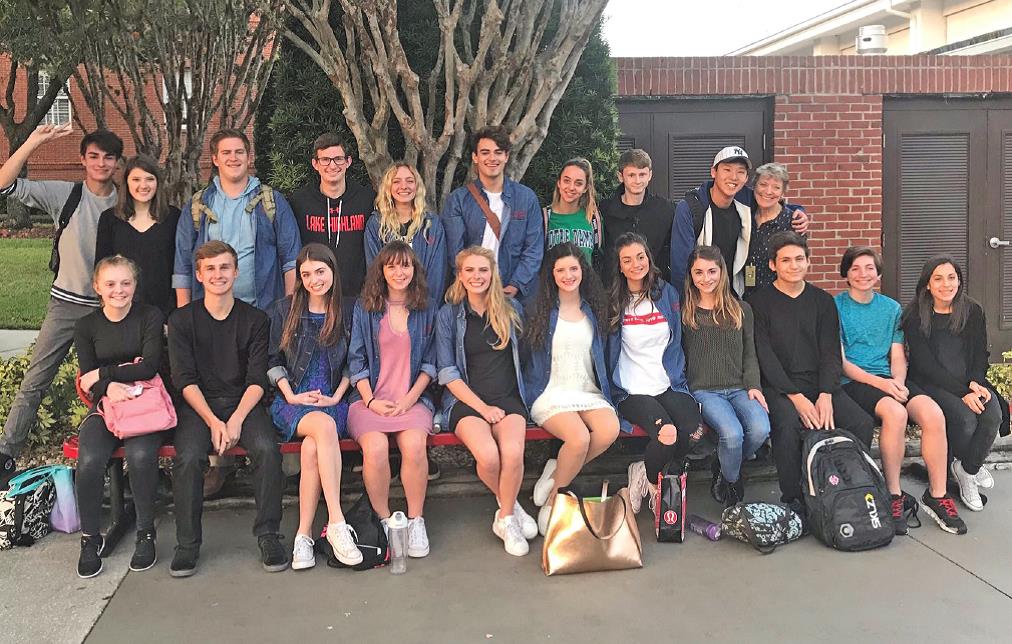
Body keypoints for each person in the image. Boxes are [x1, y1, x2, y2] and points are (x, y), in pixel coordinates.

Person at [0, 124, 124, 477]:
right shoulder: (66, 194)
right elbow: (5, 184)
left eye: (108, 157)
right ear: (83, 160)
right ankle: (6, 453)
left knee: (115, 384)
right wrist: (33, 142)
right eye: (94, 156)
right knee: (35, 381)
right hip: (66, 304)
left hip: (111, 310)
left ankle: (121, 461)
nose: (101, 163)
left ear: (117, 163)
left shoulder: (126, 202)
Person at [167, 241, 286, 577]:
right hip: (198, 406)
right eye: (210, 269)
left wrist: (234, 420)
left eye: (224, 267)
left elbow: (257, 379)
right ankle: (187, 544)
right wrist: (213, 421)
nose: (218, 274)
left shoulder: (255, 320)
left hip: (243, 403)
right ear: (199, 275)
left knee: (267, 450)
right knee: (188, 457)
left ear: (235, 272)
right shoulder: (181, 321)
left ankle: (268, 535)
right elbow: (184, 380)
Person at [836, 247, 965, 534]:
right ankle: (893, 494)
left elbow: (897, 355)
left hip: (890, 379)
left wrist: (897, 381)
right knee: (895, 413)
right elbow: (842, 363)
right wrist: (884, 385)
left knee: (933, 413)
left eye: (869, 268)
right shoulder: (836, 307)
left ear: (878, 273)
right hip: (855, 381)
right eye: (855, 268)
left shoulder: (891, 308)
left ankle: (938, 495)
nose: (863, 274)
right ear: (846, 273)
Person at [749, 231, 874, 513]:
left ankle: (850, 485)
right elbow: (765, 357)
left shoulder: (822, 301)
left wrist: (826, 393)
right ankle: (794, 499)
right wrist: (795, 397)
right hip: (779, 387)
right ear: (773, 265)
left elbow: (831, 353)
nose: (793, 265)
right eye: (786, 260)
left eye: (799, 259)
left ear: (808, 262)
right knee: (787, 425)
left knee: (861, 423)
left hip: (820, 384)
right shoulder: (758, 303)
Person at [435, 246, 537, 556]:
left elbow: (527, 358)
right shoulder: (449, 315)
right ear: (460, 275)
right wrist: (483, 409)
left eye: (483, 270)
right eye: (469, 270)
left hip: (507, 397)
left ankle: (504, 518)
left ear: (493, 274)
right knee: (489, 458)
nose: (476, 276)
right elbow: (447, 373)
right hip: (466, 402)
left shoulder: (511, 309)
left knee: (513, 453)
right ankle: (512, 506)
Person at [267, 243, 362, 569]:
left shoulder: (349, 309)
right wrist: (291, 395)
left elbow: (355, 361)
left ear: (333, 271)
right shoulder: (285, 309)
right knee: (321, 426)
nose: (313, 280)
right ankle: (336, 521)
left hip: (334, 401)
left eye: (320, 271)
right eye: (306, 274)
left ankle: (303, 537)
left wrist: (336, 396)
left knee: (311, 449)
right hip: (293, 402)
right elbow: (272, 360)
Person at [73, 256, 166, 578]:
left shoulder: (150, 316)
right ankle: (89, 538)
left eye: (126, 283)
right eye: (110, 284)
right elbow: (87, 378)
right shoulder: (86, 326)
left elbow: (149, 366)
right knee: (89, 459)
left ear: (135, 285)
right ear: (97, 287)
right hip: (106, 405)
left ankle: (145, 533)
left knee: (140, 456)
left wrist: (106, 374)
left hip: (144, 405)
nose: (119, 290)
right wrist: (108, 386)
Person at [521, 243, 620, 535]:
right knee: (578, 439)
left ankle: (556, 472)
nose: (568, 275)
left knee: (609, 430)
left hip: (586, 390)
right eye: (561, 270)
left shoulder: (594, 308)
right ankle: (556, 501)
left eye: (573, 268)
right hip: (550, 391)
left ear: (583, 271)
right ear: (551, 274)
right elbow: (524, 356)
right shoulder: (539, 309)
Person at [347, 241, 436, 557]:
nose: (399, 272)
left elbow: (431, 363)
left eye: (405, 265)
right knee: (375, 449)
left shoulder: (426, 308)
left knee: (414, 446)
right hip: (370, 401)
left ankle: (416, 520)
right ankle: (384, 520)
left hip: (411, 400)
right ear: (381, 271)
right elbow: (356, 361)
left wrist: (410, 399)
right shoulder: (366, 308)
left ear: (415, 270)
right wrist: (371, 401)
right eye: (392, 266)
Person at [606, 233, 705, 514]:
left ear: (649, 258)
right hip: (631, 389)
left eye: (640, 257)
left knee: (695, 431)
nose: (636, 264)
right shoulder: (614, 301)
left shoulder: (666, 294)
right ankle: (652, 481)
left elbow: (679, 337)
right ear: (620, 266)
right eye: (627, 260)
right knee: (667, 433)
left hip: (667, 382)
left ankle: (645, 469)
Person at [902, 255, 1008, 513]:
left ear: (959, 281)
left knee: (993, 414)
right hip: (929, 382)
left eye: (951, 278)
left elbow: (979, 353)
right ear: (927, 284)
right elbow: (925, 365)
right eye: (938, 279)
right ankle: (966, 466)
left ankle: (966, 469)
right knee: (965, 418)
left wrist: (975, 383)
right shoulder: (915, 315)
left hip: (967, 380)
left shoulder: (972, 310)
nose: (946, 284)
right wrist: (963, 393)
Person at [681, 246, 770, 508]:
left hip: (739, 387)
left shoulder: (740, 309)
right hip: (704, 390)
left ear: (722, 272)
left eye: (712, 271)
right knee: (732, 435)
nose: (706, 278)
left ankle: (723, 463)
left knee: (761, 429)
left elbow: (750, 352)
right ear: (691, 275)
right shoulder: (685, 312)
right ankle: (731, 482)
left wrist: (754, 385)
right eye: (698, 272)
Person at [173, 128, 300, 310]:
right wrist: (184, 315)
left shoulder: (272, 202)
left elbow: (291, 260)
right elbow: (183, 265)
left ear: (249, 158)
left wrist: (289, 311)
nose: (233, 158)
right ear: (215, 159)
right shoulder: (198, 205)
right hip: (209, 315)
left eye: (239, 152)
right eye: (226, 152)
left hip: (264, 313)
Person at [670, 147, 809, 297]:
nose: (734, 177)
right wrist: (683, 303)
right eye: (727, 170)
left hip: (734, 295)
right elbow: (680, 264)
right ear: (713, 172)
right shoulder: (691, 208)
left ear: (746, 179)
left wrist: (798, 210)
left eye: (740, 172)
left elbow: (770, 200)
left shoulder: (744, 199)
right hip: (700, 295)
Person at [441, 125, 544, 301]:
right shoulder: (458, 200)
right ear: (475, 157)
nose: (492, 158)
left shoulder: (526, 199)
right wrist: (472, 286)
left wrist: (515, 285)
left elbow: (533, 249)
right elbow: (456, 253)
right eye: (485, 152)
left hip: (511, 294)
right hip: (471, 292)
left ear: (506, 156)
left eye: (498, 152)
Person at [290, 133, 375, 304]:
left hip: (357, 299)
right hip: (314, 298)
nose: (332, 165)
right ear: (315, 164)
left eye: (338, 159)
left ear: (348, 161)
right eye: (325, 160)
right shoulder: (299, 202)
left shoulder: (367, 199)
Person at [96, 155, 181, 318]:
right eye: (136, 179)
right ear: (126, 183)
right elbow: (102, 268)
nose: (143, 185)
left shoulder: (173, 217)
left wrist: (173, 315)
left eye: (149, 179)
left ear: (158, 183)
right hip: (123, 311)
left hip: (164, 312)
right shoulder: (110, 219)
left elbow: (180, 268)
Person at [365, 163, 447, 304]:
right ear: (388, 187)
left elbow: (437, 274)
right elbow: (374, 271)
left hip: (424, 305)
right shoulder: (376, 225)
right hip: (388, 307)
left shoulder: (431, 225)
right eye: (396, 181)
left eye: (410, 181)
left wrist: (428, 308)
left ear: (417, 186)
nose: (404, 186)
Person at [598, 149, 673, 285]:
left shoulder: (666, 209)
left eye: (642, 174)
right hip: (615, 288)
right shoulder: (605, 210)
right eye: (631, 175)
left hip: (655, 287)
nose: (637, 181)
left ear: (650, 175)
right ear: (620, 176)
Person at [743, 162, 801, 299]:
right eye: (763, 184)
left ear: (783, 193)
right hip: (745, 296)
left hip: (779, 298)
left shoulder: (793, 223)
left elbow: (796, 266)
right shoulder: (745, 215)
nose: (768, 191)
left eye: (776, 187)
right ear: (754, 186)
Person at [543, 158, 603, 269]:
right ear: (559, 182)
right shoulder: (544, 218)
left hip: (585, 279)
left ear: (585, 188)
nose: (571, 187)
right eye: (566, 181)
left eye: (578, 183)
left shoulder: (593, 218)